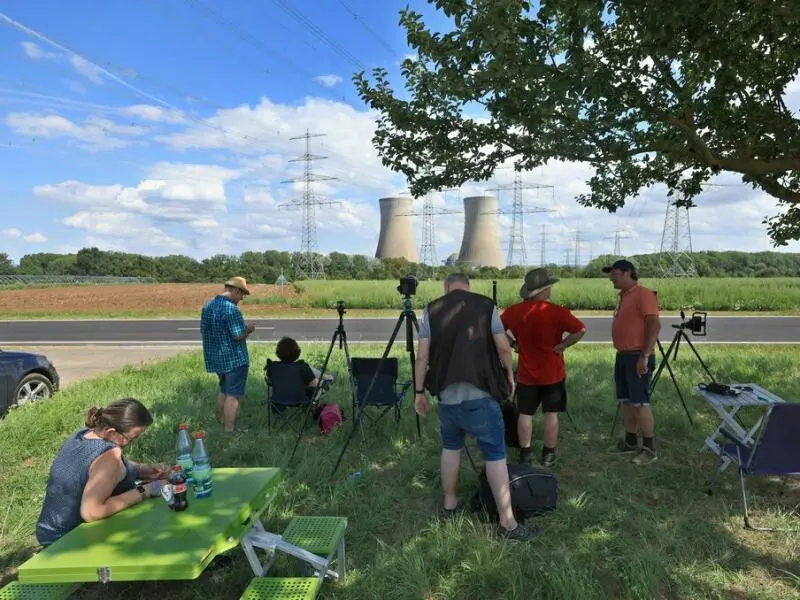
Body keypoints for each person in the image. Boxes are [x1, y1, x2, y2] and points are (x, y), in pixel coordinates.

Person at [414, 272, 539, 542]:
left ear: (447, 287)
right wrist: (508, 376)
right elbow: (504, 349)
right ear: (467, 287)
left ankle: (449, 504)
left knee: (450, 447)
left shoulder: (431, 309)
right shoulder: (485, 305)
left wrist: (418, 391)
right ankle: (508, 524)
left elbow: (422, 355)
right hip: (481, 396)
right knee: (495, 455)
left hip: (447, 396)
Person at [35, 398, 168, 547]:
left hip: (48, 532)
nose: (134, 443)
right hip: (68, 539)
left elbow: (104, 468)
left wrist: (145, 471)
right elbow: (91, 511)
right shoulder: (109, 455)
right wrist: (146, 490)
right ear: (111, 431)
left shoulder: (82, 435)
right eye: (132, 438)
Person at [500, 268, 586, 467]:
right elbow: (580, 329)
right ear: (544, 290)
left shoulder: (514, 311)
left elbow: (495, 330)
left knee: (525, 414)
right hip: (552, 373)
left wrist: (514, 344)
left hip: (527, 374)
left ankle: (525, 453)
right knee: (551, 414)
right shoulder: (556, 312)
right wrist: (563, 345)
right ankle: (548, 453)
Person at [603, 259, 662, 465]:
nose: (611, 278)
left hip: (638, 356)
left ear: (628, 273)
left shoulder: (643, 295)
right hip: (623, 356)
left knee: (640, 403)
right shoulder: (623, 297)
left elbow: (654, 325)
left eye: (615, 274)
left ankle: (649, 448)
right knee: (626, 401)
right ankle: (629, 441)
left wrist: (644, 356)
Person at [200, 277, 255, 434]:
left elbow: (205, 330)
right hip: (234, 359)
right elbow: (238, 336)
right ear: (236, 291)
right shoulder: (231, 309)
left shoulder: (208, 306)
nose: (242, 298)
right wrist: (249, 329)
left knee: (223, 390)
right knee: (233, 395)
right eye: (242, 294)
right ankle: (230, 430)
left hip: (216, 358)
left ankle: (223, 422)